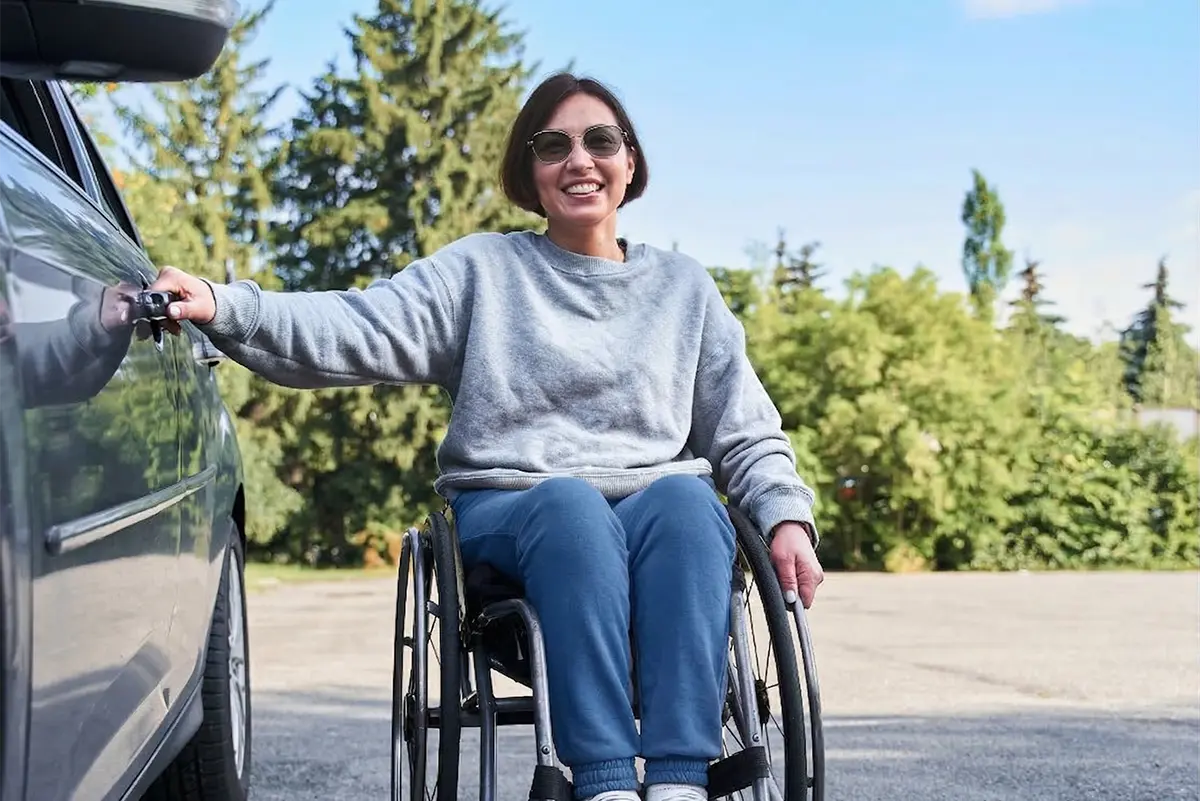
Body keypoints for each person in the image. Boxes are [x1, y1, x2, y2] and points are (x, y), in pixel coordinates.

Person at [151, 72, 825, 801]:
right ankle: (601, 781)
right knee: (571, 507)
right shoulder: (484, 272)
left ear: (629, 162)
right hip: (519, 508)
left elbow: (745, 425)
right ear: (528, 173)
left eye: (600, 141)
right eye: (552, 145)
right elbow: (357, 326)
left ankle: (679, 781)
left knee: (693, 507)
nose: (579, 160)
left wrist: (786, 514)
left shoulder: (685, 289)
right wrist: (227, 305)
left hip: (653, 517)